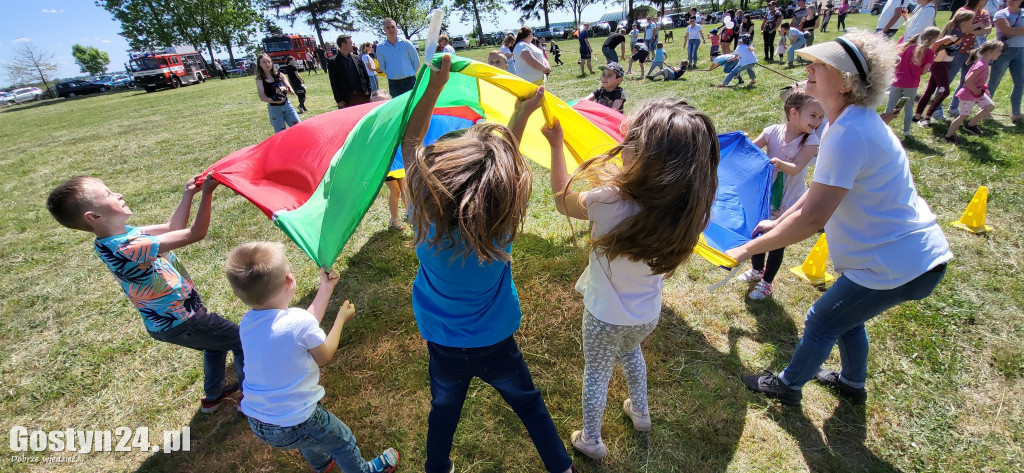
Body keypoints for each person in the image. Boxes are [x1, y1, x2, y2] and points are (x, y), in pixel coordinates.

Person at [732, 31, 952, 407]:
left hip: (896, 262)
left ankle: (788, 386)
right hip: (904, 257)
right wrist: (780, 220)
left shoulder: (849, 133)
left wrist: (748, 249)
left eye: (822, 65)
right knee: (847, 318)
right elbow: (816, 198)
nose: (810, 69)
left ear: (847, 81)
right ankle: (851, 383)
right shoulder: (842, 124)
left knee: (822, 318)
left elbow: (814, 216)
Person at [403, 55, 577, 473]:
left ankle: (436, 468)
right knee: (529, 404)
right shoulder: (498, 227)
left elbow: (410, 143)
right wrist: (522, 112)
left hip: (443, 344)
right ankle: (562, 468)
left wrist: (434, 86)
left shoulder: (422, 220)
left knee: (443, 410)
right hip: (496, 344)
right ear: (502, 193)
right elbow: (506, 165)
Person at [542, 97, 719, 460]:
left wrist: (556, 146)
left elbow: (562, 200)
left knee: (597, 373)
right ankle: (640, 413)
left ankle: (590, 439)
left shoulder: (609, 200)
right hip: (645, 317)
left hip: (604, 317)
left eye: (629, 142)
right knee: (630, 351)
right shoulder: (688, 209)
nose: (620, 146)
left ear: (644, 156)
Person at [46, 174, 244, 414]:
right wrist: (208, 194)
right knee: (241, 340)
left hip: (169, 320)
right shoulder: (127, 247)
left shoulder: (115, 238)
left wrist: (188, 193)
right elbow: (194, 233)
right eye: (108, 194)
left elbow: (173, 228)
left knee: (214, 345)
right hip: (182, 319)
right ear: (94, 217)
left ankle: (213, 398)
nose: (118, 194)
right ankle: (253, 397)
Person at [226, 243, 399, 473]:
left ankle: (322, 464)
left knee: (309, 439)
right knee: (343, 441)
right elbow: (324, 356)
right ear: (289, 280)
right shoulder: (296, 322)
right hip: (298, 421)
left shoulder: (248, 322)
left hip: (260, 421)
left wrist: (325, 288)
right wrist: (340, 320)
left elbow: (302, 326)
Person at [738, 86, 823, 300]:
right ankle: (757, 270)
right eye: (813, 115)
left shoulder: (811, 141)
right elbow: (751, 151)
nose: (817, 121)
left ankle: (767, 283)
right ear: (793, 113)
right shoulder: (772, 132)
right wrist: (744, 140)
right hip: (765, 197)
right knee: (758, 233)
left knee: (777, 241)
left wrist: (777, 162)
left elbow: (796, 168)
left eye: (821, 117)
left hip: (788, 200)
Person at [916, 11, 975, 125]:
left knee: (929, 91)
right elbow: (935, 45)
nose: (972, 23)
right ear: (964, 22)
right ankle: (928, 116)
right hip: (939, 66)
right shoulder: (954, 35)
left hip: (942, 65)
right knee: (945, 92)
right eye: (971, 21)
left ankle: (918, 116)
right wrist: (929, 57)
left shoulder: (958, 32)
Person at [882, 28, 941, 135]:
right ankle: (906, 131)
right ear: (932, 38)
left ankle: (883, 128)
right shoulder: (928, 53)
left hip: (897, 81)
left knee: (890, 105)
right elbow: (923, 71)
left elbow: (896, 62)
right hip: (911, 84)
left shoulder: (906, 47)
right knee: (908, 107)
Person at [944, 41, 1004, 142]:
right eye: (998, 51)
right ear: (990, 51)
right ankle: (948, 135)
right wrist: (976, 90)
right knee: (963, 115)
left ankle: (971, 125)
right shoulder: (980, 65)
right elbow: (967, 81)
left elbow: (977, 81)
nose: (1000, 53)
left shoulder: (985, 63)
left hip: (978, 92)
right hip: (969, 93)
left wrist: (983, 90)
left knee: (989, 106)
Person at [948, 0, 994, 118]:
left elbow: (988, 29)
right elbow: (964, 29)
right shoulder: (963, 11)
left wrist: (969, 29)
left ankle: (953, 108)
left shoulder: (984, 13)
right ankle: (936, 107)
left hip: (974, 52)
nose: (986, 1)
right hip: (959, 50)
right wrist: (978, 26)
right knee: (947, 79)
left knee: (965, 82)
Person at [987, 0, 1024, 124]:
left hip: (1020, 51)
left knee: (1020, 83)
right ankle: (985, 111)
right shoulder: (1001, 14)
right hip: (1002, 52)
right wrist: (1016, 31)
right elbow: (1007, 31)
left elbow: (1010, 30)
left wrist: (1015, 31)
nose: (1010, 1)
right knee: (994, 81)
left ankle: (1016, 113)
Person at [256, 53, 300, 133]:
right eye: (264, 62)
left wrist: (284, 89)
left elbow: (292, 92)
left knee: (298, 128)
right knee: (280, 133)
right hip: (274, 109)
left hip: (287, 106)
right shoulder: (260, 79)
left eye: (269, 62)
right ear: (259, 64)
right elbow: (262, 97)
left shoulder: (280, 75)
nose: (267, 64)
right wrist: (274, 100)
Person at [377, 18, 420, 97]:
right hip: (394, 85)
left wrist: (409, 74)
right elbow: (382, 67)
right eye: (388, 27)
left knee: (413, 107)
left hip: (410, 82)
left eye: (393, 27)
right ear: (384, 29)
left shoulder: (406, 43)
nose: (391, 29)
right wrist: (394, 74)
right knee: (398, 108)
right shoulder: (380, 47)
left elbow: (416, 62)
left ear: (397, 28)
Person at [328, 35, 371, 109]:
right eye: (350, 43)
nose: (353, 45)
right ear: (343, 44)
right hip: (347, 100)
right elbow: (334, 82)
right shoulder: (333, 62)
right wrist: (339, 100)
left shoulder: (357, 58)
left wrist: (369, 92)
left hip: (363, 96)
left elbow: (365, 76)